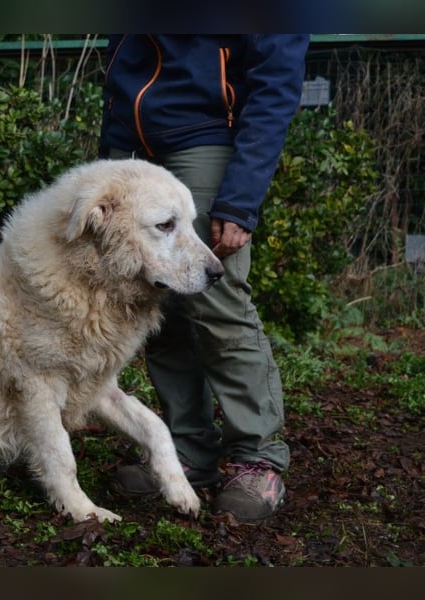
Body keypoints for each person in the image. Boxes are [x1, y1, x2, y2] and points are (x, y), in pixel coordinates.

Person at [99, 34, 310, 522]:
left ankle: (257, 457)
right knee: (156, 306)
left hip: (206, 137)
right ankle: (188, 452)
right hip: (130, 144)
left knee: (217, 301)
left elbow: (277, 74)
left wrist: (241, 196)